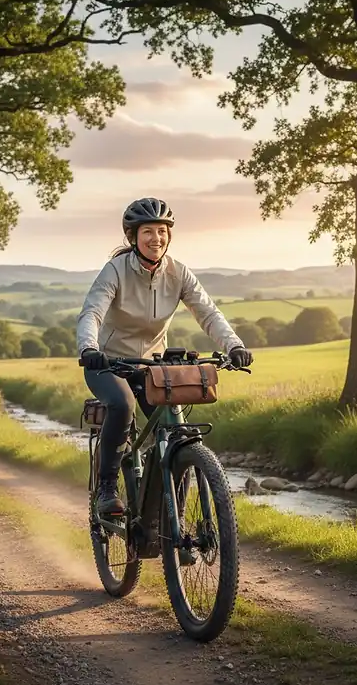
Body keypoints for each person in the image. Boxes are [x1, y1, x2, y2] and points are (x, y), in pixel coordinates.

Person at [77, 197, 253, 514]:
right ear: (133, 237)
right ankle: (106, 489)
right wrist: (89, 348)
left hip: (152, 368)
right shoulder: (115, 271)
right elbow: (92, 313)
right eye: (148, 231)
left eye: (162, 230)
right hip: (108, 363)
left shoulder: (179, 273)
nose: (156, 238)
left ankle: (177, 522)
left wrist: (234, 345)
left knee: (179, 436)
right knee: (122, 405)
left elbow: (208, 314)